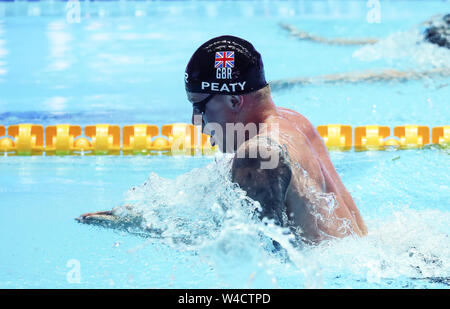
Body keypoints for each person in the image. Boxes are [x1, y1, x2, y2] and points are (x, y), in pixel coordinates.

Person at [78, 35, 367, 244]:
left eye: (200, 106)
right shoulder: (294, 121)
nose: (197, 122)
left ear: (233, 100)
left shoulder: (256, 156)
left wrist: (149, 228)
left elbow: (263, 258)